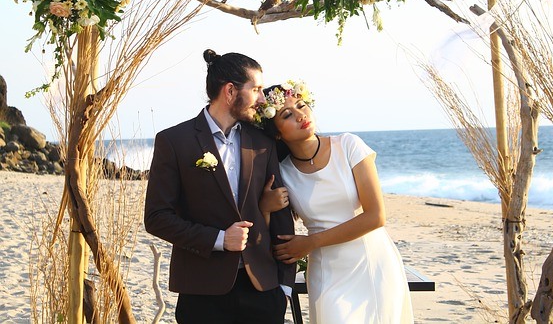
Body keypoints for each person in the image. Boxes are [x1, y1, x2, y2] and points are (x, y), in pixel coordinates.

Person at [144, 50, 296, 324]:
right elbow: (157, 218)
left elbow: (282, 219)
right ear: (230, 91)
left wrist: (283, 286)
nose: (262, 99)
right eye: (256, 89)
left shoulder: (263, 142)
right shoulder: (174, 141)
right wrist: (219, 239)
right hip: (201, 292)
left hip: (263, 291)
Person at [257, 80, 414, 324]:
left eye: (302, 105)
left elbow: (376, 216)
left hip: (372, 261)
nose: (301, 115)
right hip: (327, 271)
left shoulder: (349, 145)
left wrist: (311, 242)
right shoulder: (282, 173)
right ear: (276, 132)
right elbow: (270, 232)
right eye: (288, 114)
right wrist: (265, 207)